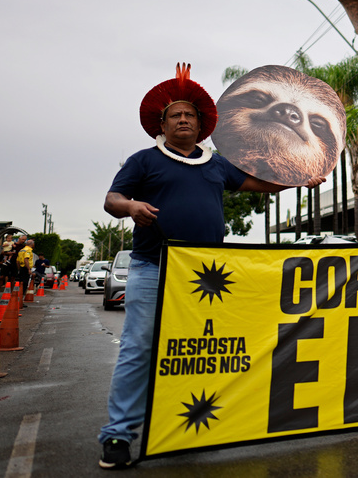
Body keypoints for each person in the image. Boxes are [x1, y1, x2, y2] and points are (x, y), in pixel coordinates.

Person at [97, 64, 324, 470]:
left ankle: (188, 426)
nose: (183, 120)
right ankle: (118, 433)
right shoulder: (143, 161)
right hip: (152, 269)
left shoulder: (216, 165)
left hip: (206, 279)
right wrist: (130, 206)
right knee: (139, 349)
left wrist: (301, 180)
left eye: (190, 115)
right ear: (162, 125)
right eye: (175, 115)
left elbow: (262, 182)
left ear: (201, 125)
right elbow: (111, 200)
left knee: (199, 353)